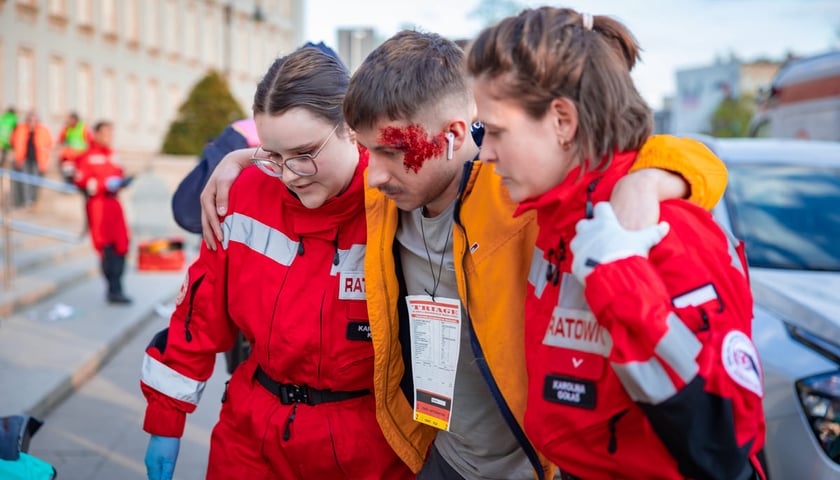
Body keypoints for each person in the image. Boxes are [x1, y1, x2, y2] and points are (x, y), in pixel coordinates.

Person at [200, 31, 729, 480]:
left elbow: (700, 161)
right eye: (369, 152)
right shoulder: (388, 188)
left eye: (388, 154)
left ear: (452, 135)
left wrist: (651, 180)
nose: (374, 172)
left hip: (530, 465)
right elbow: (316, 157)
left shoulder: (515, 193)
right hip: (436, 457)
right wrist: (243, 160)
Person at [466, 7, 765, 479]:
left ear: (562, 120)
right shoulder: (557, 217)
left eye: (496, 131)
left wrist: (620, 276)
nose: (485, 153)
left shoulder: (661, 229)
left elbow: (724, 444)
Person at [140, 46, 413, 480]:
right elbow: (198, 313)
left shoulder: (401, 201)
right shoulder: (243, 194)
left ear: (349, 128)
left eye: (304, 153)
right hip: (249, 436)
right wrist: (165, 421)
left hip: (366, 449)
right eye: (272, 155)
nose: (289, 175)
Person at [73, 121, 133, 304]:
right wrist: (103, 184)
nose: (109, 137)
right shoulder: (87, 157)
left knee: (122, 245)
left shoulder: (114, 155)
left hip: (114, 205)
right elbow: (82, 181)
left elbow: (120, 173)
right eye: (106, 133)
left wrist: (122, 181)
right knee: (106, 248)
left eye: (111, 133)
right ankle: (113, 289)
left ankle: (118, 287)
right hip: (98, 206)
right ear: (97, 134)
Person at [10, 110, 53, 208]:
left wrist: (45, 160)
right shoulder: (21, 129)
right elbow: (13, 141)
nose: (32, 122)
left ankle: (33, 201)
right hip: (24, 159)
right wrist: (17, 157)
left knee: (35, 181)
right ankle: (26, 201)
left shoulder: (43, 130)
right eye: (30, 120)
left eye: (34, 120)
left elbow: (49, 143)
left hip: (38, 160)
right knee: (25, 180)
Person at [57, 112, 94, 182]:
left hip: (81, 154)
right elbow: (60, 140)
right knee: (66, 168)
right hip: (69, 155)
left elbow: (90, 141)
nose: (69, 122)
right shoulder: (67, 128)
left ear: (75, 120)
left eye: (71, 120)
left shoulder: (83, 128)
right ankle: (68, 181)